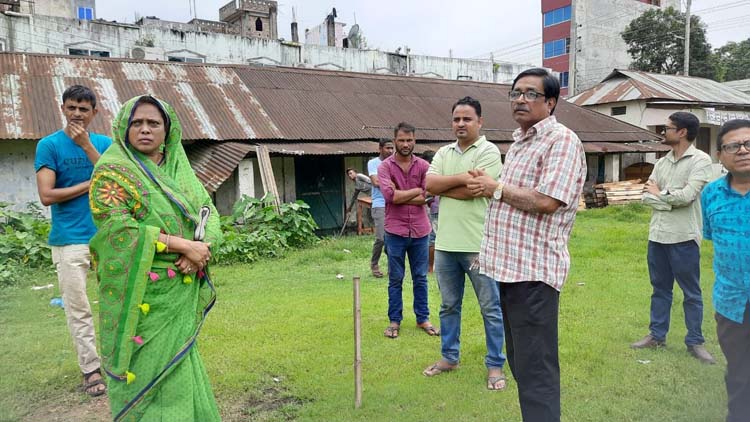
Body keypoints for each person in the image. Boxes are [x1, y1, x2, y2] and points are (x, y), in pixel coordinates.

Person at [89, 95, 222, 421]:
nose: (145, 130)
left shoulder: (180, 169)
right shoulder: (112, 172)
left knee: (180, 364)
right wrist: (181, 245)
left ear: (168, 129)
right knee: (143, 368)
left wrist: (199, 252)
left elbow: (209, 214)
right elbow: (117, 232)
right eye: (137, 123)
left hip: (182, 284)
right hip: (141, 294)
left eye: (153, 123)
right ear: (124, 127)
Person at [468, 68, 586, 421]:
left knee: (536, 372)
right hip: (510, 271)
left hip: (534, 274)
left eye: (531, 93)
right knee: (521, 363)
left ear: (551, 102)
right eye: (516, 92)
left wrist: (495, 188)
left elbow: (548, 201)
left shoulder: (560, 141)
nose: (520, 99)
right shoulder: (521, 141)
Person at [422, 97, 507, 391]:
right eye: (456, 119)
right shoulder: (444, 151)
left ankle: (495, 365)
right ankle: (449, 357)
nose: (460, 124)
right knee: (448, 306)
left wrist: (445, 188)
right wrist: (457, 180)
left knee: (490, 308)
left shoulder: (489, 151)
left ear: (480, 122)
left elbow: (477, 191)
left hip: (478, 245)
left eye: (467, 119)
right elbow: (429, 186)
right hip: (445, 245)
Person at [34, 85, 112, 397]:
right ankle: (91, 369)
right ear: (63, 109)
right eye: (71, 107)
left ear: (95, 113)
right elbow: (46, 196)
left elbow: (117, 180)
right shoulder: (48, 145)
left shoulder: (105, 144)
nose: (77, 113)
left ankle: (119, 362)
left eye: (83, 108)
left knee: (116, 304)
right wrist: (90, 183)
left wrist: (87, 147)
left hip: (107, 237)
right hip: (69, 240)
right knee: (78, 308)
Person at [631, 111, 716, 365]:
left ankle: (695, 341)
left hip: (683, 237)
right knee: (660, 289)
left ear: (682, 132)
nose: (663, 131)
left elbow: (688, 196)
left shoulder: (701, 161)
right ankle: (657, 335)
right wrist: (666, 199)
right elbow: (646, 195)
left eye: (667, 128)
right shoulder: (661, 162)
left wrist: (661, 195)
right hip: (657, 236)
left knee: (691, 292)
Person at [701, 119, 750, 422]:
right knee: (739, 375)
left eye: (748, 144)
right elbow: (710, 235)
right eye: (733, 146)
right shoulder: (711, 194)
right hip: (732, 303)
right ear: (720, 155)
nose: (743, 150)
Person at [378, 122, 438, 339]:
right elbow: (389, 196)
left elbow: (429, 195)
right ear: (394, 141)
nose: (405, 144)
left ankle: (423, 318)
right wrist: (416, 193)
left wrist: (403, 194)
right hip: (395, 231)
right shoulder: (385, 167)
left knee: (420, 277)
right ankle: (394, 321)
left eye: (409, 140)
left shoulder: (424, 166)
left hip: (421, 231)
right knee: (395, 278)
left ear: (415, 140)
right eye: (401, 140)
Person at [368, 139, 395, 278]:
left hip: (395, 203)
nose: (390, 151)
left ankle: (392, 267)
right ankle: (374, 263)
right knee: (381, 238)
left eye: (392, 148)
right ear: (380, 148)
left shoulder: (395, 163)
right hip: (379, 204)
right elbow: (376, 182)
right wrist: (392, 183)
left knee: (393, 238)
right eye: (387, 148)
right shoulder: (373, 163)